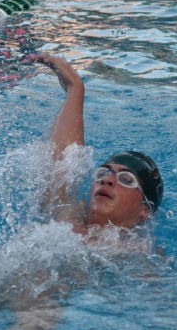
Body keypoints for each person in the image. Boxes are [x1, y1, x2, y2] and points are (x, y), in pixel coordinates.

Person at [28, 54, 163, 236]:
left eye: (126, 179)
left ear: (144, 209)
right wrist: (75, 88)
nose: (107, 180)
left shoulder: (137, 251)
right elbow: (63, 162)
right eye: (102, 173)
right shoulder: (67, 218)